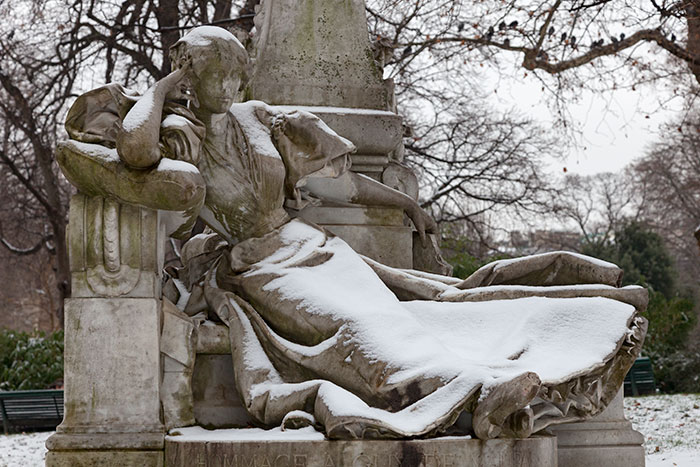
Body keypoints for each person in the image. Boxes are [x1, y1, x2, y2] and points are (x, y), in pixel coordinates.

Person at [58, 26, 647, 440]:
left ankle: (512, 359)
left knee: (408, 311)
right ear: (192, 73)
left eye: (241, 68)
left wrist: (407, 207)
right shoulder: (180, 137)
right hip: (257, 266)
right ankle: (469, 394)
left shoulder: (260, 118)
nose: (237, 80)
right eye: (222, 70)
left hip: (309, 247)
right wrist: (163, 88)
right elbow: (135, 152)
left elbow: (337, 187)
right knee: (357, 327)